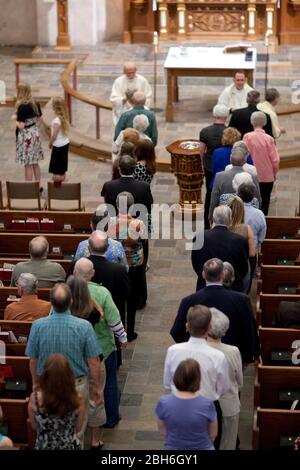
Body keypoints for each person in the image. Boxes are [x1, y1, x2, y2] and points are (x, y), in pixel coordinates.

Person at [25, 283, 104, 447]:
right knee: (77, 435)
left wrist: (35, 382)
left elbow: (33, 359)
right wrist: (97, 388)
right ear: (71, 301)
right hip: (76, 385)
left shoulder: (38, 325)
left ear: (51, 302)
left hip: (45, 386)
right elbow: (93, 361)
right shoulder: (84, 326)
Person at [72, 259, 127, 429]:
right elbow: (114, 320)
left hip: (74, 350)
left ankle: (78, 420)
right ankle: (110, 418)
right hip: (102, 347)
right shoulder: (101, 292)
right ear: (92, 274)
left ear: (74, 272)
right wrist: (123, 339)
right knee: (108, 383)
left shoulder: (66, 292)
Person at [164, 305, 229, 449]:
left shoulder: (173, 351)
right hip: (207, 408)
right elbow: (223, 389)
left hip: (178, 407)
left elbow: (168, 383)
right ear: (209, 328)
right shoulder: (218, 356)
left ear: (187, 326)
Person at [170, 258, 258, 364]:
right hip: (230, 358)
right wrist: (247, 357)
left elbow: (176, 332)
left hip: (199, 359)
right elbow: (250, 330)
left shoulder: (189, 301)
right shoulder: (241, 300)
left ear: (203, 275)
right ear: (222, 275)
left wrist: (193, 347)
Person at [108, 192, 147, 341]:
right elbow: (143, 241)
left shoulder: (110, 222)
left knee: (118, 297)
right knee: (132, 298)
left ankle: (119, 331)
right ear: (132, 206)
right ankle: (130, 330)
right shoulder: (138, 224)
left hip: (117, 264)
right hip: (135, 264)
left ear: (117, 205)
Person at [156, 359, 218, 450]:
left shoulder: (163, 402)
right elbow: (213, 434)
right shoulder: (207, 404)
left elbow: (162, 429)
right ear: (198, 379)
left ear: (176, 377)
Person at [28, 354, 85, 450]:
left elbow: (34, 426)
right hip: (68, 446)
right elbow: (78, 428)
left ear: (45, 374)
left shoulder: (35, 398)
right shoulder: (77, 400)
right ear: (68, 375)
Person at [207, 308, 243, 450]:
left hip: (204, 405)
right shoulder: (233, 351)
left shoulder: (198, 350)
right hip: (228, 404)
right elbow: (239, 381)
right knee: (228, 443)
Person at [192, 206, 249, 292]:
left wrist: (208, 275)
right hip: (232, 288)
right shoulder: (240, 241)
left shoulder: (199, 237)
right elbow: (243, 268)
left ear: (213, 219)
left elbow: (196, 263)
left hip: (205, 285)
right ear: (230, 220)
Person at [101, 155, 153, 231]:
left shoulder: (109, 186)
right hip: (137, 228)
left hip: (116, 227)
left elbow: (109, 207)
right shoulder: (144, 186)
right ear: (134, 169)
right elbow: (149, 207)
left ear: (119, 169)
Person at [208, 147, 261, 220]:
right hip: (246, 216)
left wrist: (211, 216)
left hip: (225, 216)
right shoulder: (252, 177)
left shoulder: (219, 176)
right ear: (245, 161)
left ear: (230, 160)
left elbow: (214, 198)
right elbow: (257, 197)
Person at [243, 111, 280, 215]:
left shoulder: (247, 137)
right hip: (267, 176)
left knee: (249, 202)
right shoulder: (269, 139)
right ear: (264, 123)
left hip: (250, 175)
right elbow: (275, 160)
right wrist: (274, 173)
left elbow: (243, 155)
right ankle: (263, 223)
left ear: (252, 122)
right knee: (265, 202)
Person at [199, 104, 229, 228]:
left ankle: (208, 221)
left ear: (214, 115)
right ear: (226, 116)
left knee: (210, 192)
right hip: (224, 166)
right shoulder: (229, 131)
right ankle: (225, 219)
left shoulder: (205, 131)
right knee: (224, 192)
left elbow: (201, 150)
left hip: (209, 165)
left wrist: (202, 164)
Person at [15, 83, 44, 182]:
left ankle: (29, 188)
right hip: (34, 134)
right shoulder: (35, 103)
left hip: (26, 136)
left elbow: (21, 126)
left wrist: (14, 119)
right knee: (35, 162)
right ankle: (38, 186)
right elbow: (40, 119)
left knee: (27, 164)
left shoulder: (22, 107)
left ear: (21, 92)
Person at [237, 182, 267, 247]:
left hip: (233, 247)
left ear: (238, 194)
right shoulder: (259, 214)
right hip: (252, 247)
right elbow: (261, 237)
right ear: (253, 197)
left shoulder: (232, 210)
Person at [48, 97, 70, 184]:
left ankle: (58, 184)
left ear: (55, 107)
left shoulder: (56, 120)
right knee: (62, 166)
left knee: (56, 170)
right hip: (65, 143)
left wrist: (50, 143)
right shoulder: (63, 117)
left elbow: (54, 136)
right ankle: (63, 178)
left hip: (58, 146)